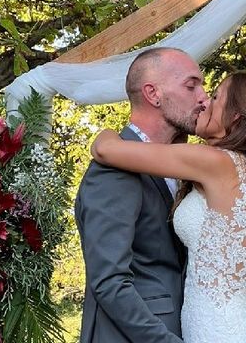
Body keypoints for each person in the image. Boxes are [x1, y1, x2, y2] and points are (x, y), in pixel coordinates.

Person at [91, 71, 246, 343]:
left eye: (215, 97)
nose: (204, 103)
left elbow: (105, 150)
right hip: (231, 325)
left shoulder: (216, 162)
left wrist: (106, 132)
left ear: (234, 115)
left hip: (219, 331)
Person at [75, 47, 207, 343]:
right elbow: (110, 283)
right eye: (191, 85)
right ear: (153, 94)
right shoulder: (114, 170)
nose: (203, 97)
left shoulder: (177, 163)